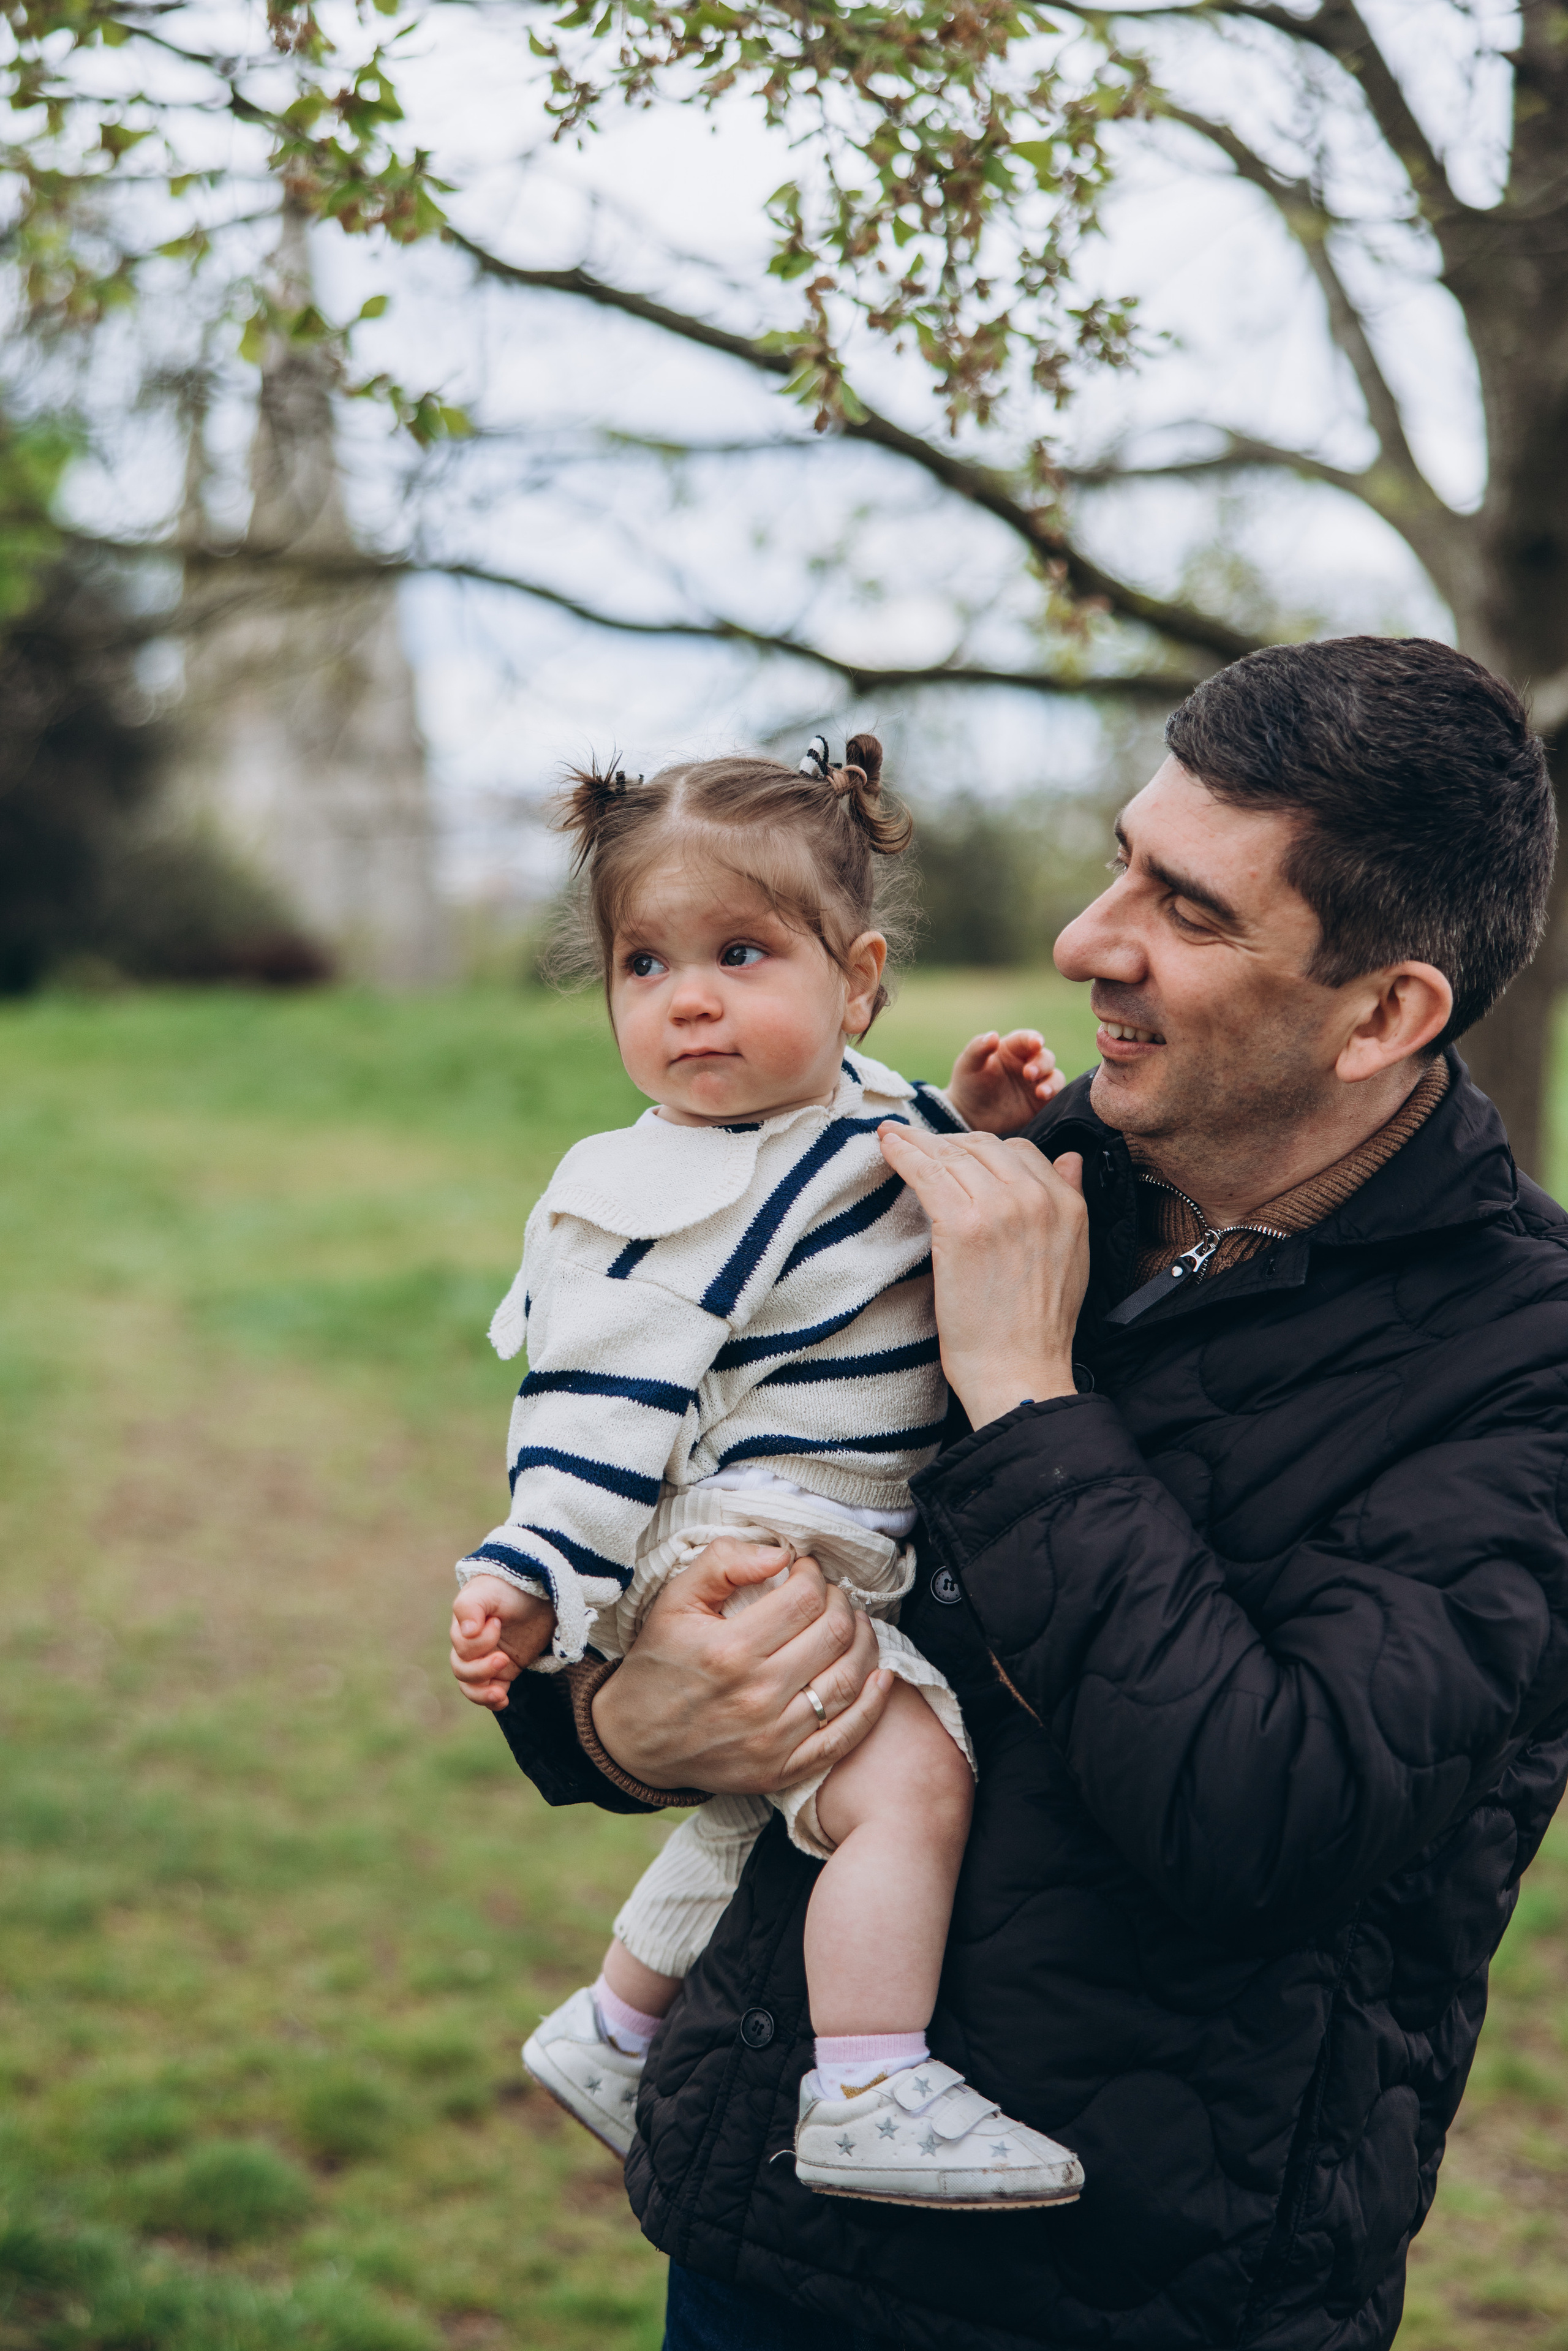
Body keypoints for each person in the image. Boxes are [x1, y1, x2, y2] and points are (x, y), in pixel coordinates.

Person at [490, 638, 1568, 2349]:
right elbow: (680, 1495)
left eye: (1190, 911)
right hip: (759, 2231)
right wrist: (616, 1720)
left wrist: (1028, 1393)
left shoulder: (1524, 1364)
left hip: (1123, 2292)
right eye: (1123, 856)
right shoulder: (999, 1171)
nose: (1087, 938)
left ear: (1386, 1014)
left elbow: (1267, 1822)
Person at [448, 734, 1085, 2208]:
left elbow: (901, 1193)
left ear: (854, 979)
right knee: (908, 1787)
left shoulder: (851, 1109)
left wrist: (976, 1125)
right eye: (643, 963)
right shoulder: (662, 1190)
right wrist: (533, 1571)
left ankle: (613, 2026)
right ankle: (867, 2076)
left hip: (819, 1539)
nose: (688, 997)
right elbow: (589, 1408)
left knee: (750, 1801)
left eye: (739, 951)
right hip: (745, 1551)